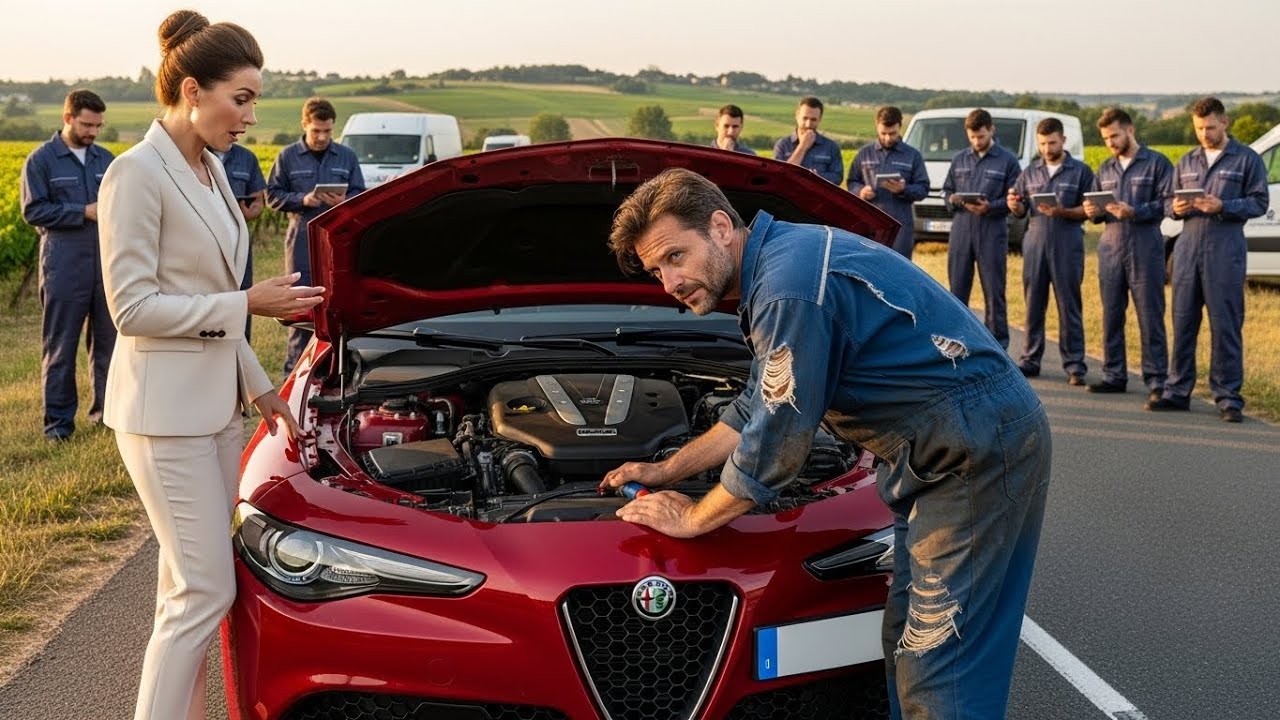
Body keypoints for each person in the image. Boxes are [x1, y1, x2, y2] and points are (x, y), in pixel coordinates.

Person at [603, 167, 1051, 719]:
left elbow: (773, 449)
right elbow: (752, 408)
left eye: (675, 257)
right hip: (939, 450)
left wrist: (694, 517)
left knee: (942, 661)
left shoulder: (787, 287)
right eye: (655, 271)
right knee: (908, 639)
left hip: (971, 455)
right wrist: (666, 471)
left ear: (721, 227)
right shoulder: (777, 263)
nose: (669, 283)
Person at [96, 11, 323, 720]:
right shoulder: (135, 174)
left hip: (218, 411)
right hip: (163, 417)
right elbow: (131, 308)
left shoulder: (216, 171)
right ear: (193, 89)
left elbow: (212, 290)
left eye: (256, 99)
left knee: (181, 591)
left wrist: (263, 389)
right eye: (243, 98)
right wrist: (248, 303)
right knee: (205, 592)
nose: (252, 116)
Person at [1151, 97, 1269, 422]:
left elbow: (1259, 202)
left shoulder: (1246, 159)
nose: (1204, 134)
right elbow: (1166, 202)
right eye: (1199, 128)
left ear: (1225, 122)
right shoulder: (1187, 161)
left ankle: (1228, 397)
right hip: (1187, 248)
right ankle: (1177, 391)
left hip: (1225, 248)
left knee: (1226, 325)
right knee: (1183, 321)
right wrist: (1176, 208)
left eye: (1210, 127)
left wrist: (1224, 206)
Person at [20, 89, 116, 442]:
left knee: (108, 344)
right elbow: (33, 211)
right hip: (63, 263)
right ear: (68, 118)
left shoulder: (106, 160)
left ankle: (106, 414)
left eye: (98, 126)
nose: (93, 132)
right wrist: (82, 212)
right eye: (87, 124)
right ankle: (58, 425)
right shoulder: (41, 161)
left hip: (105, 265)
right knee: (61, 346)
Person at [267, 96, 365, 373]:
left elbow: (360, 193)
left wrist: (344, 201)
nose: (322, 137)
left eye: (327, 131)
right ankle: (297, 371)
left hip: (338, 242)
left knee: (339, 306)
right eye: (316, 131)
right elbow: (273, 196)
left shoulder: (347, 156)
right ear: (305, 125)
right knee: (301, 306)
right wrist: (303, 199)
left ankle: (337, 369)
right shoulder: (287, 157)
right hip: (301, 240)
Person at [1082, 108, 1173, 403]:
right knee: (1111, 315)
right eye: (1106, 138)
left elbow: (1168, 204)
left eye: (1114, 136)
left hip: (1145, 246)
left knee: (1150, 316)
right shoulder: (1105, 169)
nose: (1110, 142)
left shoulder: (1157, 163)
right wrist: (1092, 212)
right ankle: (1114, 375)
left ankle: (1157, 380)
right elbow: (1094, 207)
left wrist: (1135, 211)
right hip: (1111, 247)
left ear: (1130, 130)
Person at [1007, 117, 1095, 384]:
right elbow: (1022, 208)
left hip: (1067, 240)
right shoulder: (1030, 172)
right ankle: (1030, 359)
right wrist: (1015, 206)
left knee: (1069, 304)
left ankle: (1075, 365)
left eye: (1052, 143)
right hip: (1035, 241)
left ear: (1063, 140)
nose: (1047, 149)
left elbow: (1090, 210)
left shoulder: (1081, 172)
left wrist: (1062, 211)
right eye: (1042, 144)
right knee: (1033, 303)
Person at [942, 108, 1022, 349]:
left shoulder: (1008, 161)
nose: (977, 141)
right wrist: (953, 200)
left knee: (994, 291)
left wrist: (991, 207)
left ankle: (998, 347)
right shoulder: (959, 159)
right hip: (961, 230)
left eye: (982, 137)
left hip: (992, 229)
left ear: (991, 131)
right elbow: (946, 191)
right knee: (956, 291)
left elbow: (1016, 200)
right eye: (973, 137)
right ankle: (957, 343)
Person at [846, 105, 929, 258]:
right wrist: (861, 191)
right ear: (877, 126)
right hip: (870, 224)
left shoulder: (913, 156)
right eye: (883, 133)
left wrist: (904, 189)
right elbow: (852, 182)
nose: (888, 138)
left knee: (900, 268)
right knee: (868, 265)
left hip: (901, 227)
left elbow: (923, 188)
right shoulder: (864, 154)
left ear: (900, 127)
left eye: (893, 134)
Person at [215, 141, 266, 340]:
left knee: (242, 294)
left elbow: (258, 200)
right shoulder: (191, 156)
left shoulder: (247, 158)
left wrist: (250, 211)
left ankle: (241, 348)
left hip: (238, 241)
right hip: (204, 242)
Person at [773, 96, 844, 185]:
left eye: (813, 119)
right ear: (797, 116)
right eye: (805, 118)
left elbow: (837, 177)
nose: (808, 124)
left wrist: (817, 177)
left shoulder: (831, 147)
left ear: (820, 119)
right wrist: (802, 146)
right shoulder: (782, 145)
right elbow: (779, 176)